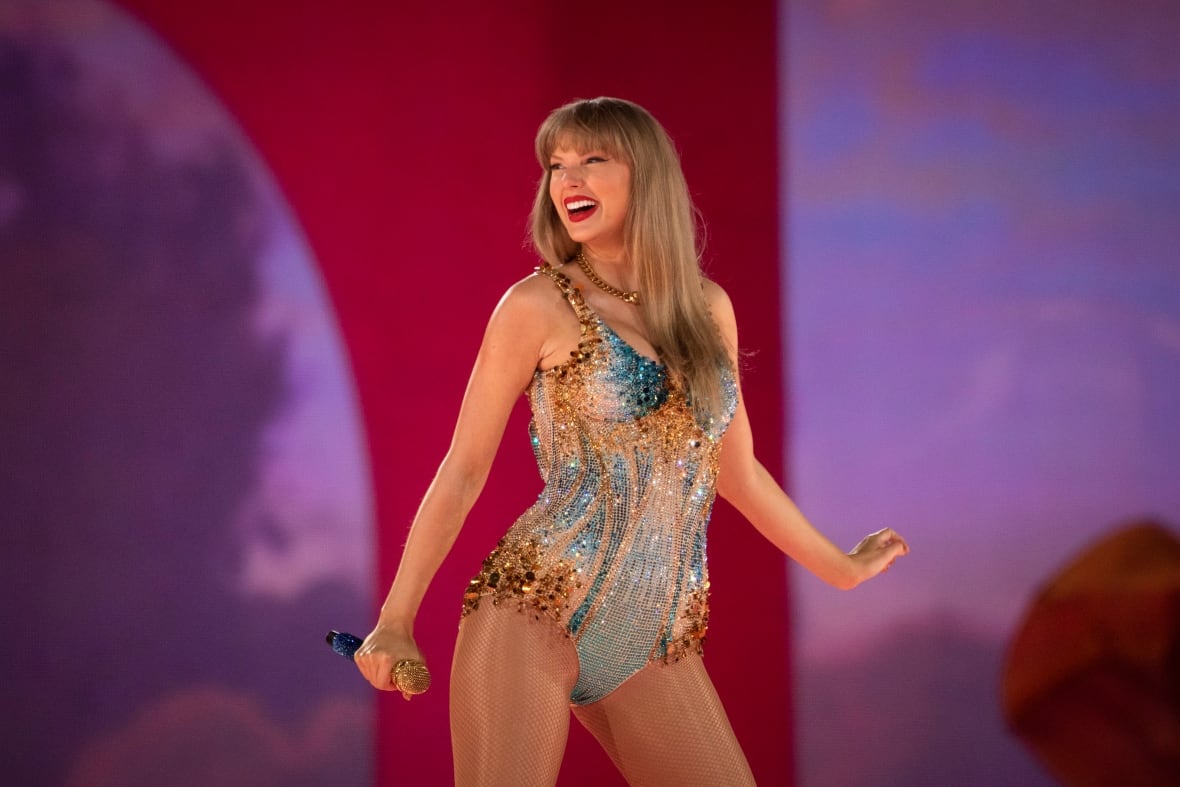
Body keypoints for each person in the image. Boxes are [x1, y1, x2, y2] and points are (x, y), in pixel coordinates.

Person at [354, 96, 909, 786]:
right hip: (532, 607)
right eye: (556, 165)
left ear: (646, 175)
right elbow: (463, 470)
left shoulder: (709, 309)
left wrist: (841, 569)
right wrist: (395, 618)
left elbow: (738, 473)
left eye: (592, 159)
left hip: (654, 634)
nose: (568, 179)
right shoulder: (535, 306)